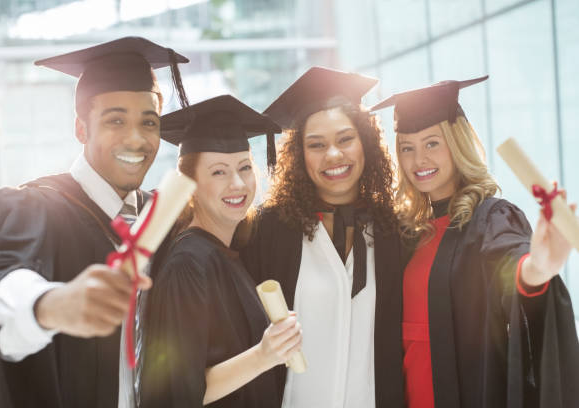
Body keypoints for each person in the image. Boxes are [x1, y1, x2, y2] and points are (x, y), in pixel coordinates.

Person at [0, 36, 190, 407]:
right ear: (81, 129)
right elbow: (0, 279)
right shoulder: (34, 206)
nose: (136, 139)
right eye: (115, 120)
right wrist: (53, 304)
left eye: (148, 122)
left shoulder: (163, 219)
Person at [370, 75, 579, 408]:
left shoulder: (490, 218)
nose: (419, 159)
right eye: (407, 148)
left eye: (432, 143)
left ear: (457, 143)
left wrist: (537, 268)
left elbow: (512, 263)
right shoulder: (404, 231)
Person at [236, 67, 404, 407]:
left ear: (365, 143)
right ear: (299, 155)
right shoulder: (270, 231)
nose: (333, 155)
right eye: (316, 144)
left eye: (345, 139)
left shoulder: (393, 231)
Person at [139, 95, 302, 408]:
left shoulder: (224, 252)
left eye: (244, 167)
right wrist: (265, 355)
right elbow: (178, 392)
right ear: (190, 184)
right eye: (218, 172)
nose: (238, 183)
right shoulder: (188, 265)